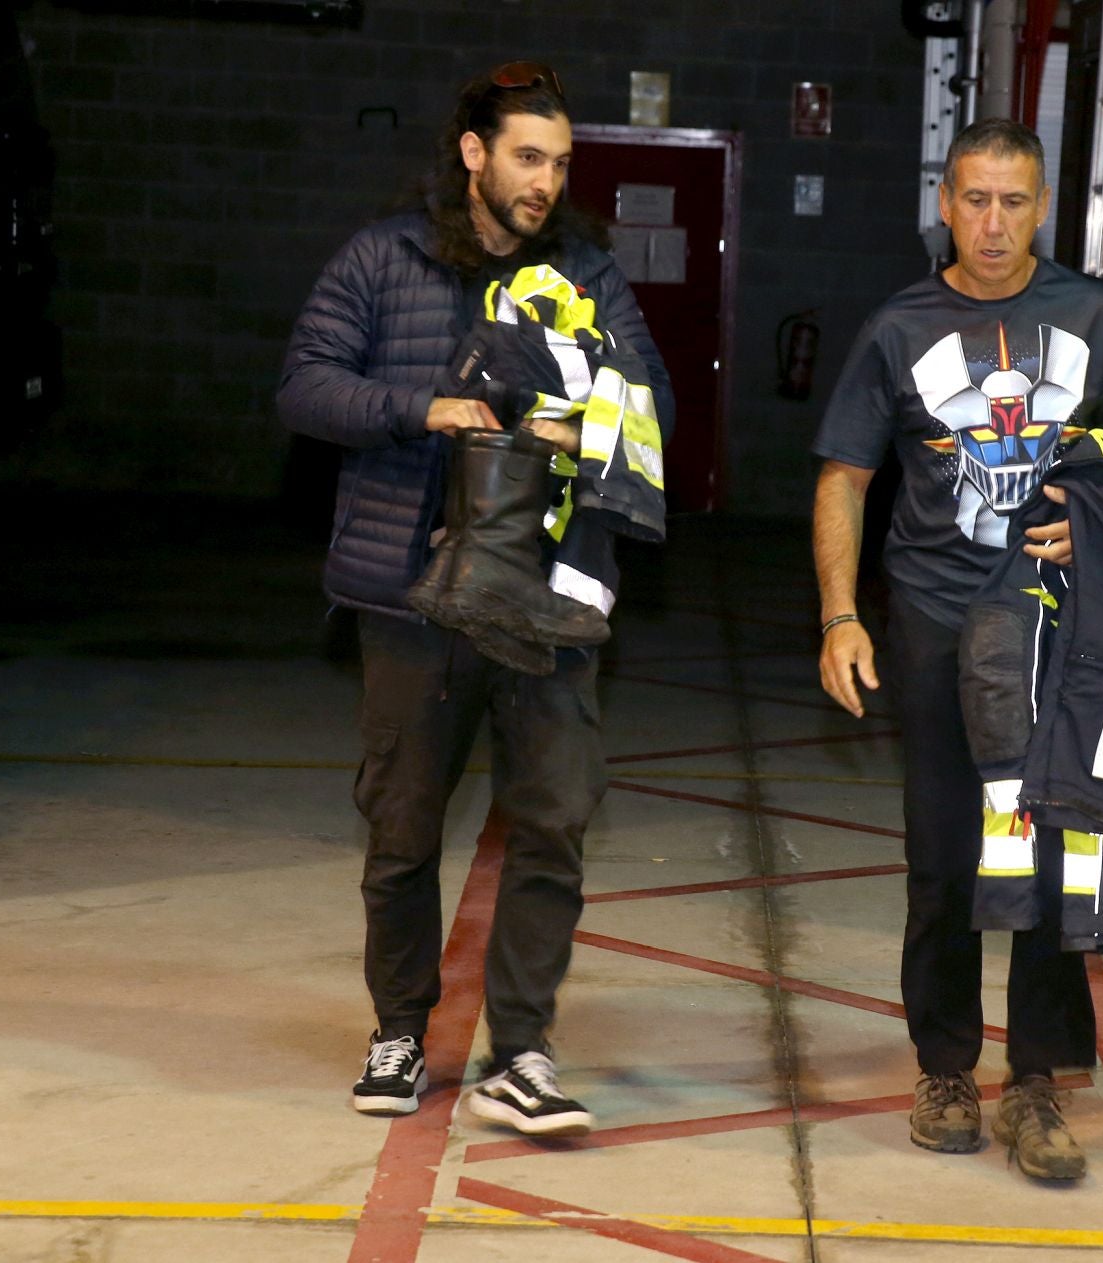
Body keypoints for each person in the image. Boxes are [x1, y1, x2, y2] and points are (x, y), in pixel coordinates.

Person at [278, 63, 673, 1134]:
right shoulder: (384, 255)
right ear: (474, 153)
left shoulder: (586, 275)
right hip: (412, 598)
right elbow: (306, 384)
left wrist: (575, 421)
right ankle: (400, 1030)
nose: (544, 182)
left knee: (552, 826)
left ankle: (525, 1052)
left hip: (544, 602)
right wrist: (426, 409)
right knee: (403, 833)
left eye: (559, 164)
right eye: (527, 157)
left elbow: (653, 402)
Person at [810, 118, 1103, 1181]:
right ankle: (946, 1068)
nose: (992, 223)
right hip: (936, 620)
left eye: (1013, 201)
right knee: (947, 856)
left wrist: (1092, 528)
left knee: (1054, 854)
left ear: (1042, 206)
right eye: (973, 199)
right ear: (944, 203)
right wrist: (839, 615)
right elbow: (844, 477)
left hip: (1059, 627)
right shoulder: (898, 326)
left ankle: (1037, 1083)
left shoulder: (1093, 315)